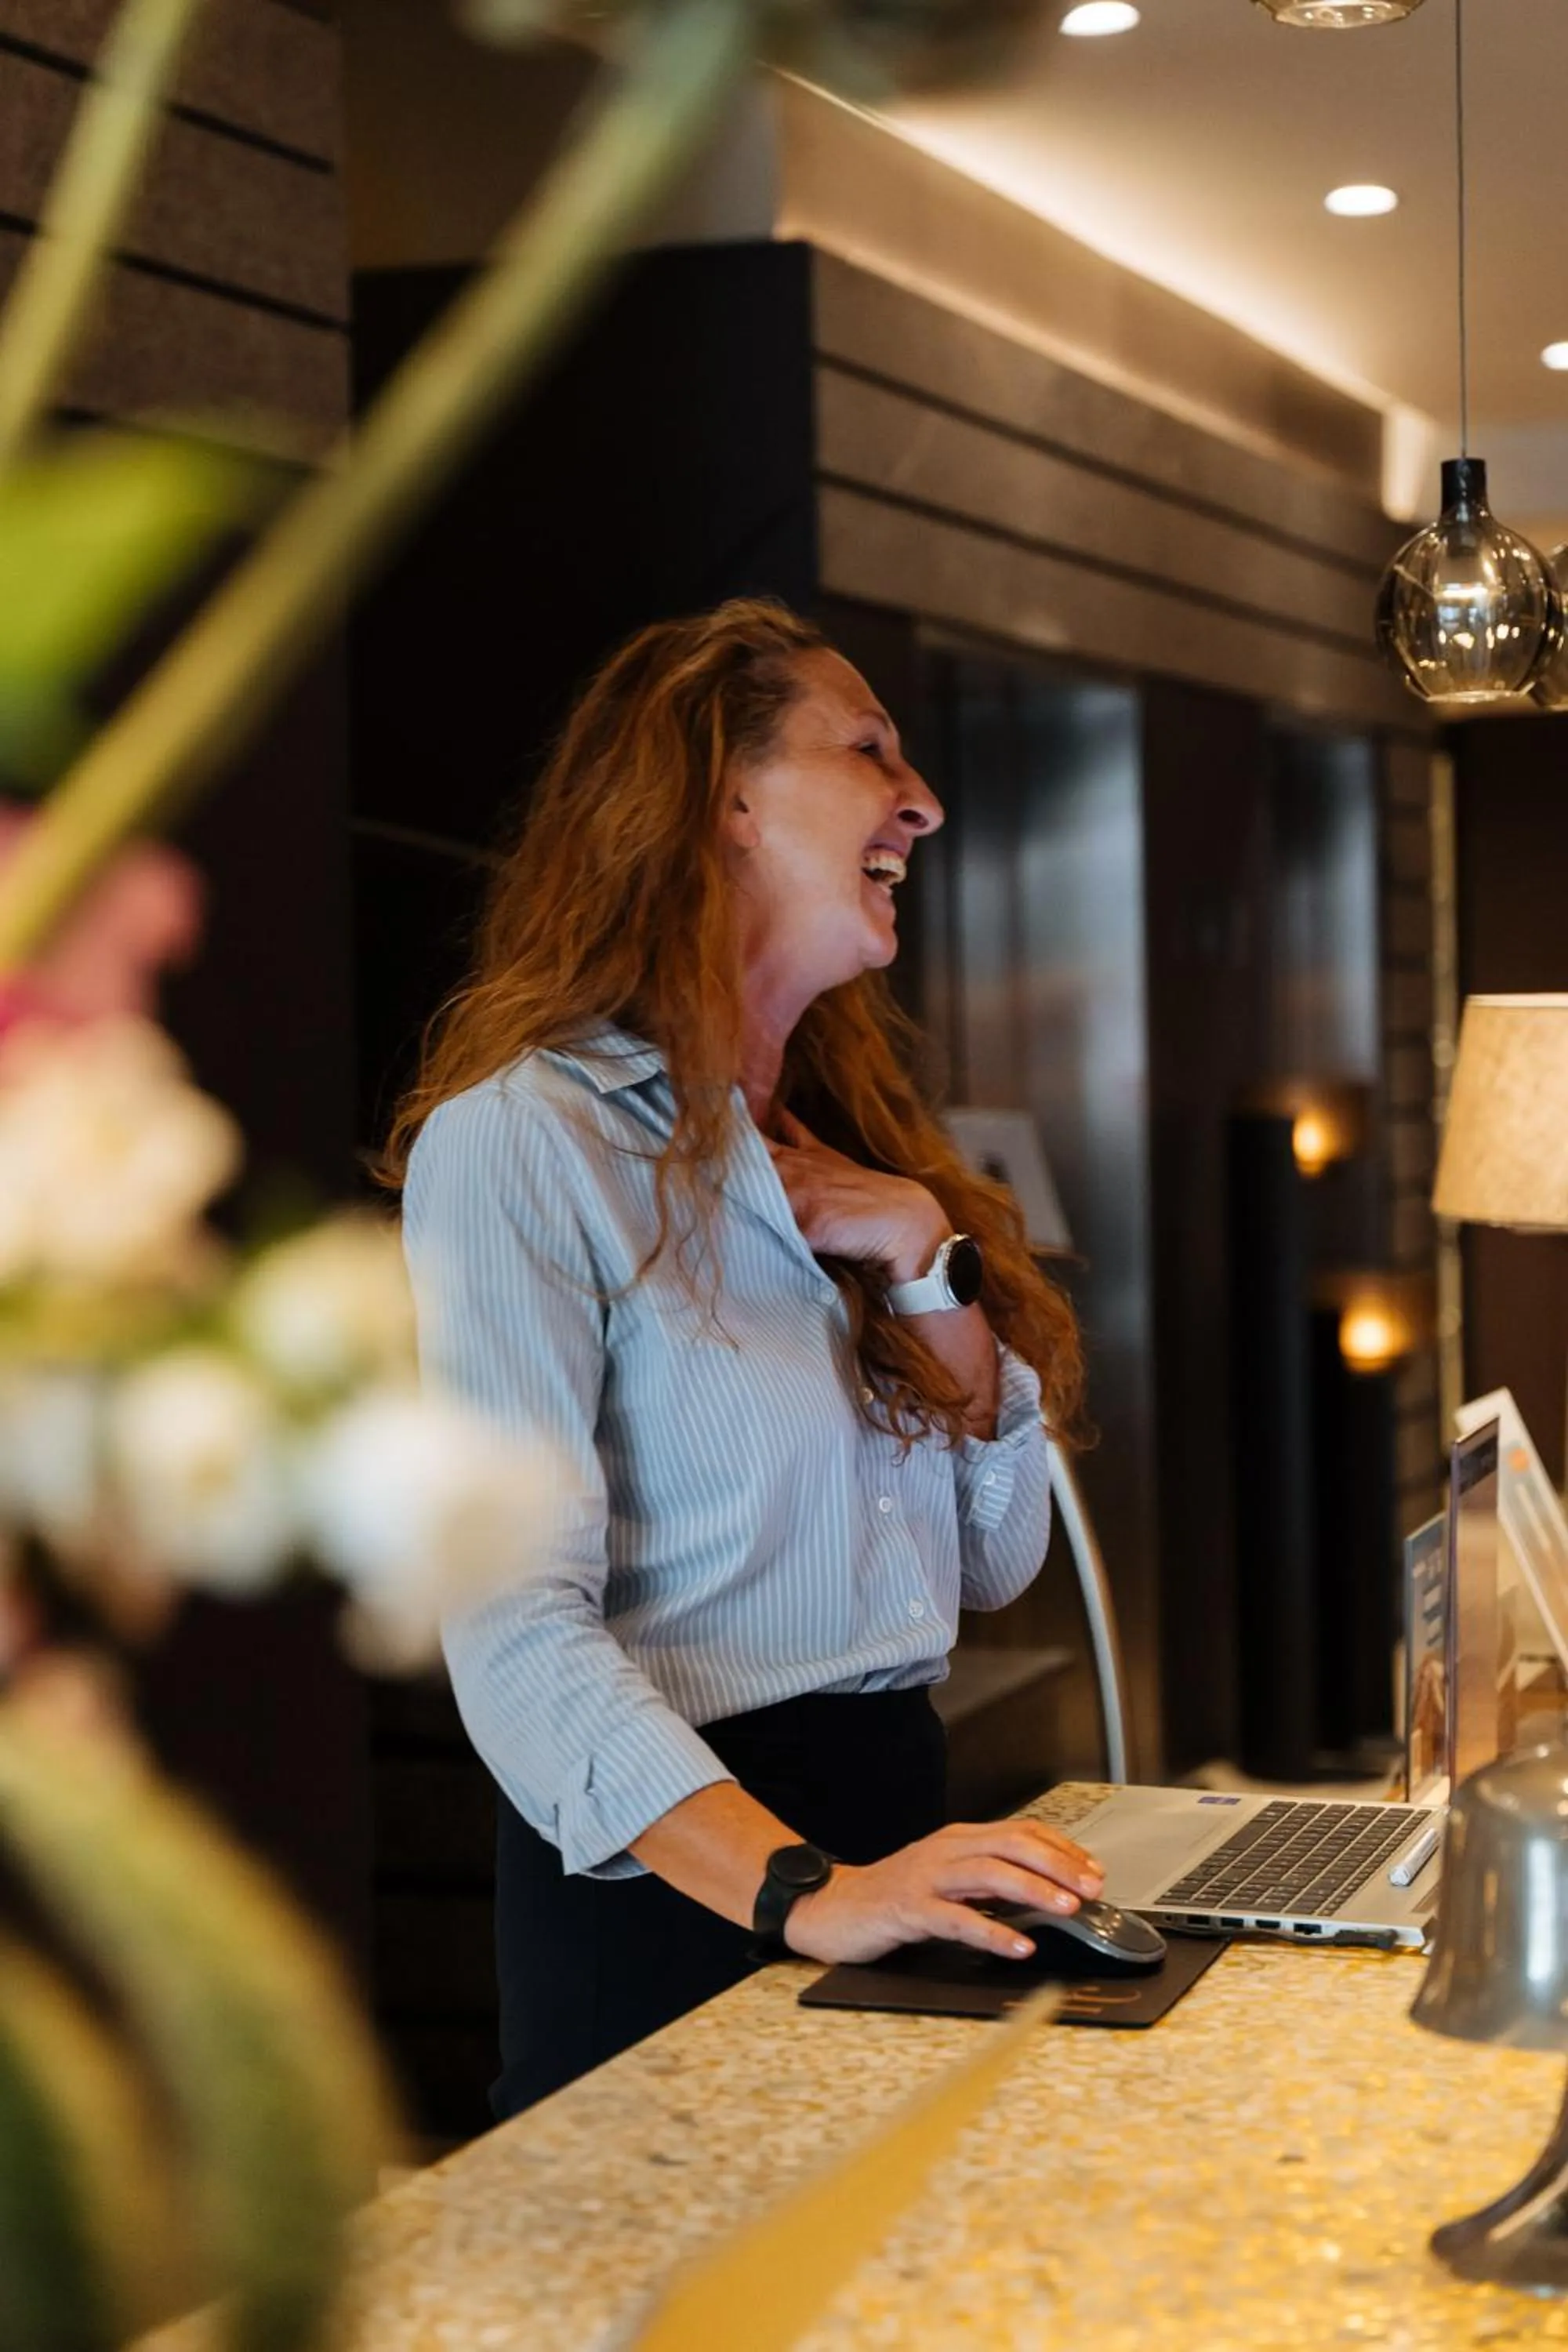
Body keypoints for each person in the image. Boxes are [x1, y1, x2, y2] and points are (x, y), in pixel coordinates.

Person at [390, 598, 1102, 2118]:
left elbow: (994, 1561)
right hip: (680, 1884)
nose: (924, 801)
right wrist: (802, 1891)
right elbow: (510, 1624)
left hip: (886, 1839)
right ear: (723, 798)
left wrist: (924, 1258)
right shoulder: (522, 1144)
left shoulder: (855, 1161)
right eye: (868, 751)